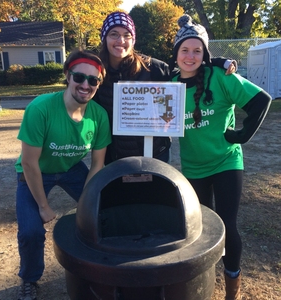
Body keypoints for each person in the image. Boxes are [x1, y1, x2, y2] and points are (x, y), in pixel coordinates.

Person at [170, 15, 272, 300]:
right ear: (176, 54)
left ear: (205, 54)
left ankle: (232, 285)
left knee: (226, 225)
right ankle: (203, 281)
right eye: (185, 50)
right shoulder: (170, 85)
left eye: (197, 50)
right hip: (192, 167)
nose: (190, 56)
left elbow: (261, 101)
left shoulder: (221, 77)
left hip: (226, 162)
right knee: (200, 228)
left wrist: (240, 136)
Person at [15, 49, 111, 300]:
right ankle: (29, 278)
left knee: (102, 212)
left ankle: (99, 266)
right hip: (36, 172)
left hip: (70, 169)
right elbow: (29, 162)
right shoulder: (41, 108)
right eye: (79, 77)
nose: (85, 85)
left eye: (93, 80)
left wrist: (88, 203)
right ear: (68, 77)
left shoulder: (99, 116)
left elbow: (97, 164)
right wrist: (44, 207)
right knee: (31, 232)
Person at [94, 11, 237, 165]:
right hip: (116, 156)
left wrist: (218, 62)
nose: (120, 40)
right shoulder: (95, 73)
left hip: (156, 152)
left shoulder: (151, 67)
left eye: (126, 35)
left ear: (133, 39)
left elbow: (188, 68)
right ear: (105, 38)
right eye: (114, 34)